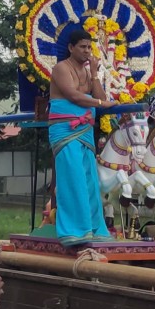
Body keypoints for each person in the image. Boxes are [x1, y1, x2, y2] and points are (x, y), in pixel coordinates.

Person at [48, 28, 116, 247]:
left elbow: (100, 96)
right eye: (83, 47)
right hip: (66, 130)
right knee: (73, 178)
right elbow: (73, 95)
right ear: (71, 48)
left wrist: (95, 74)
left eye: (89, 47)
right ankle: (74, 232)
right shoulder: (61, 68)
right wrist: (99, 104)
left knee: (90, 181)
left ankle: (93, 229)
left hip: (85, 130)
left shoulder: (87, 72)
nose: (87, 51)